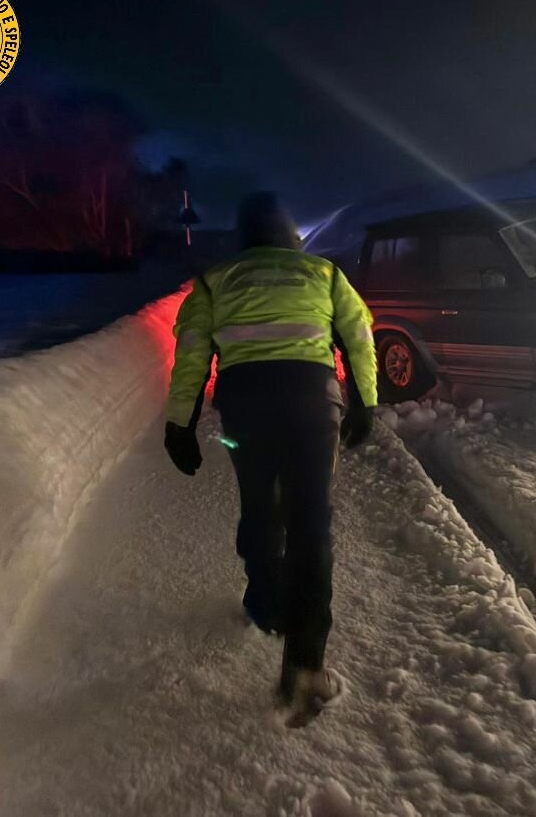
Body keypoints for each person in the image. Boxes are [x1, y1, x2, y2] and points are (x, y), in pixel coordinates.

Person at [162, 192, 377, 724]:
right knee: (311, 524)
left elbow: (191, 354)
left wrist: (179, 423)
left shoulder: (215, 281)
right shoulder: (325, 274)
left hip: (246, 409)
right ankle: (306, 666)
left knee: (259, 504)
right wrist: (366, 404)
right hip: (312, 407)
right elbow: (358, 337)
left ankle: (265, 605)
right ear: (291, 236)